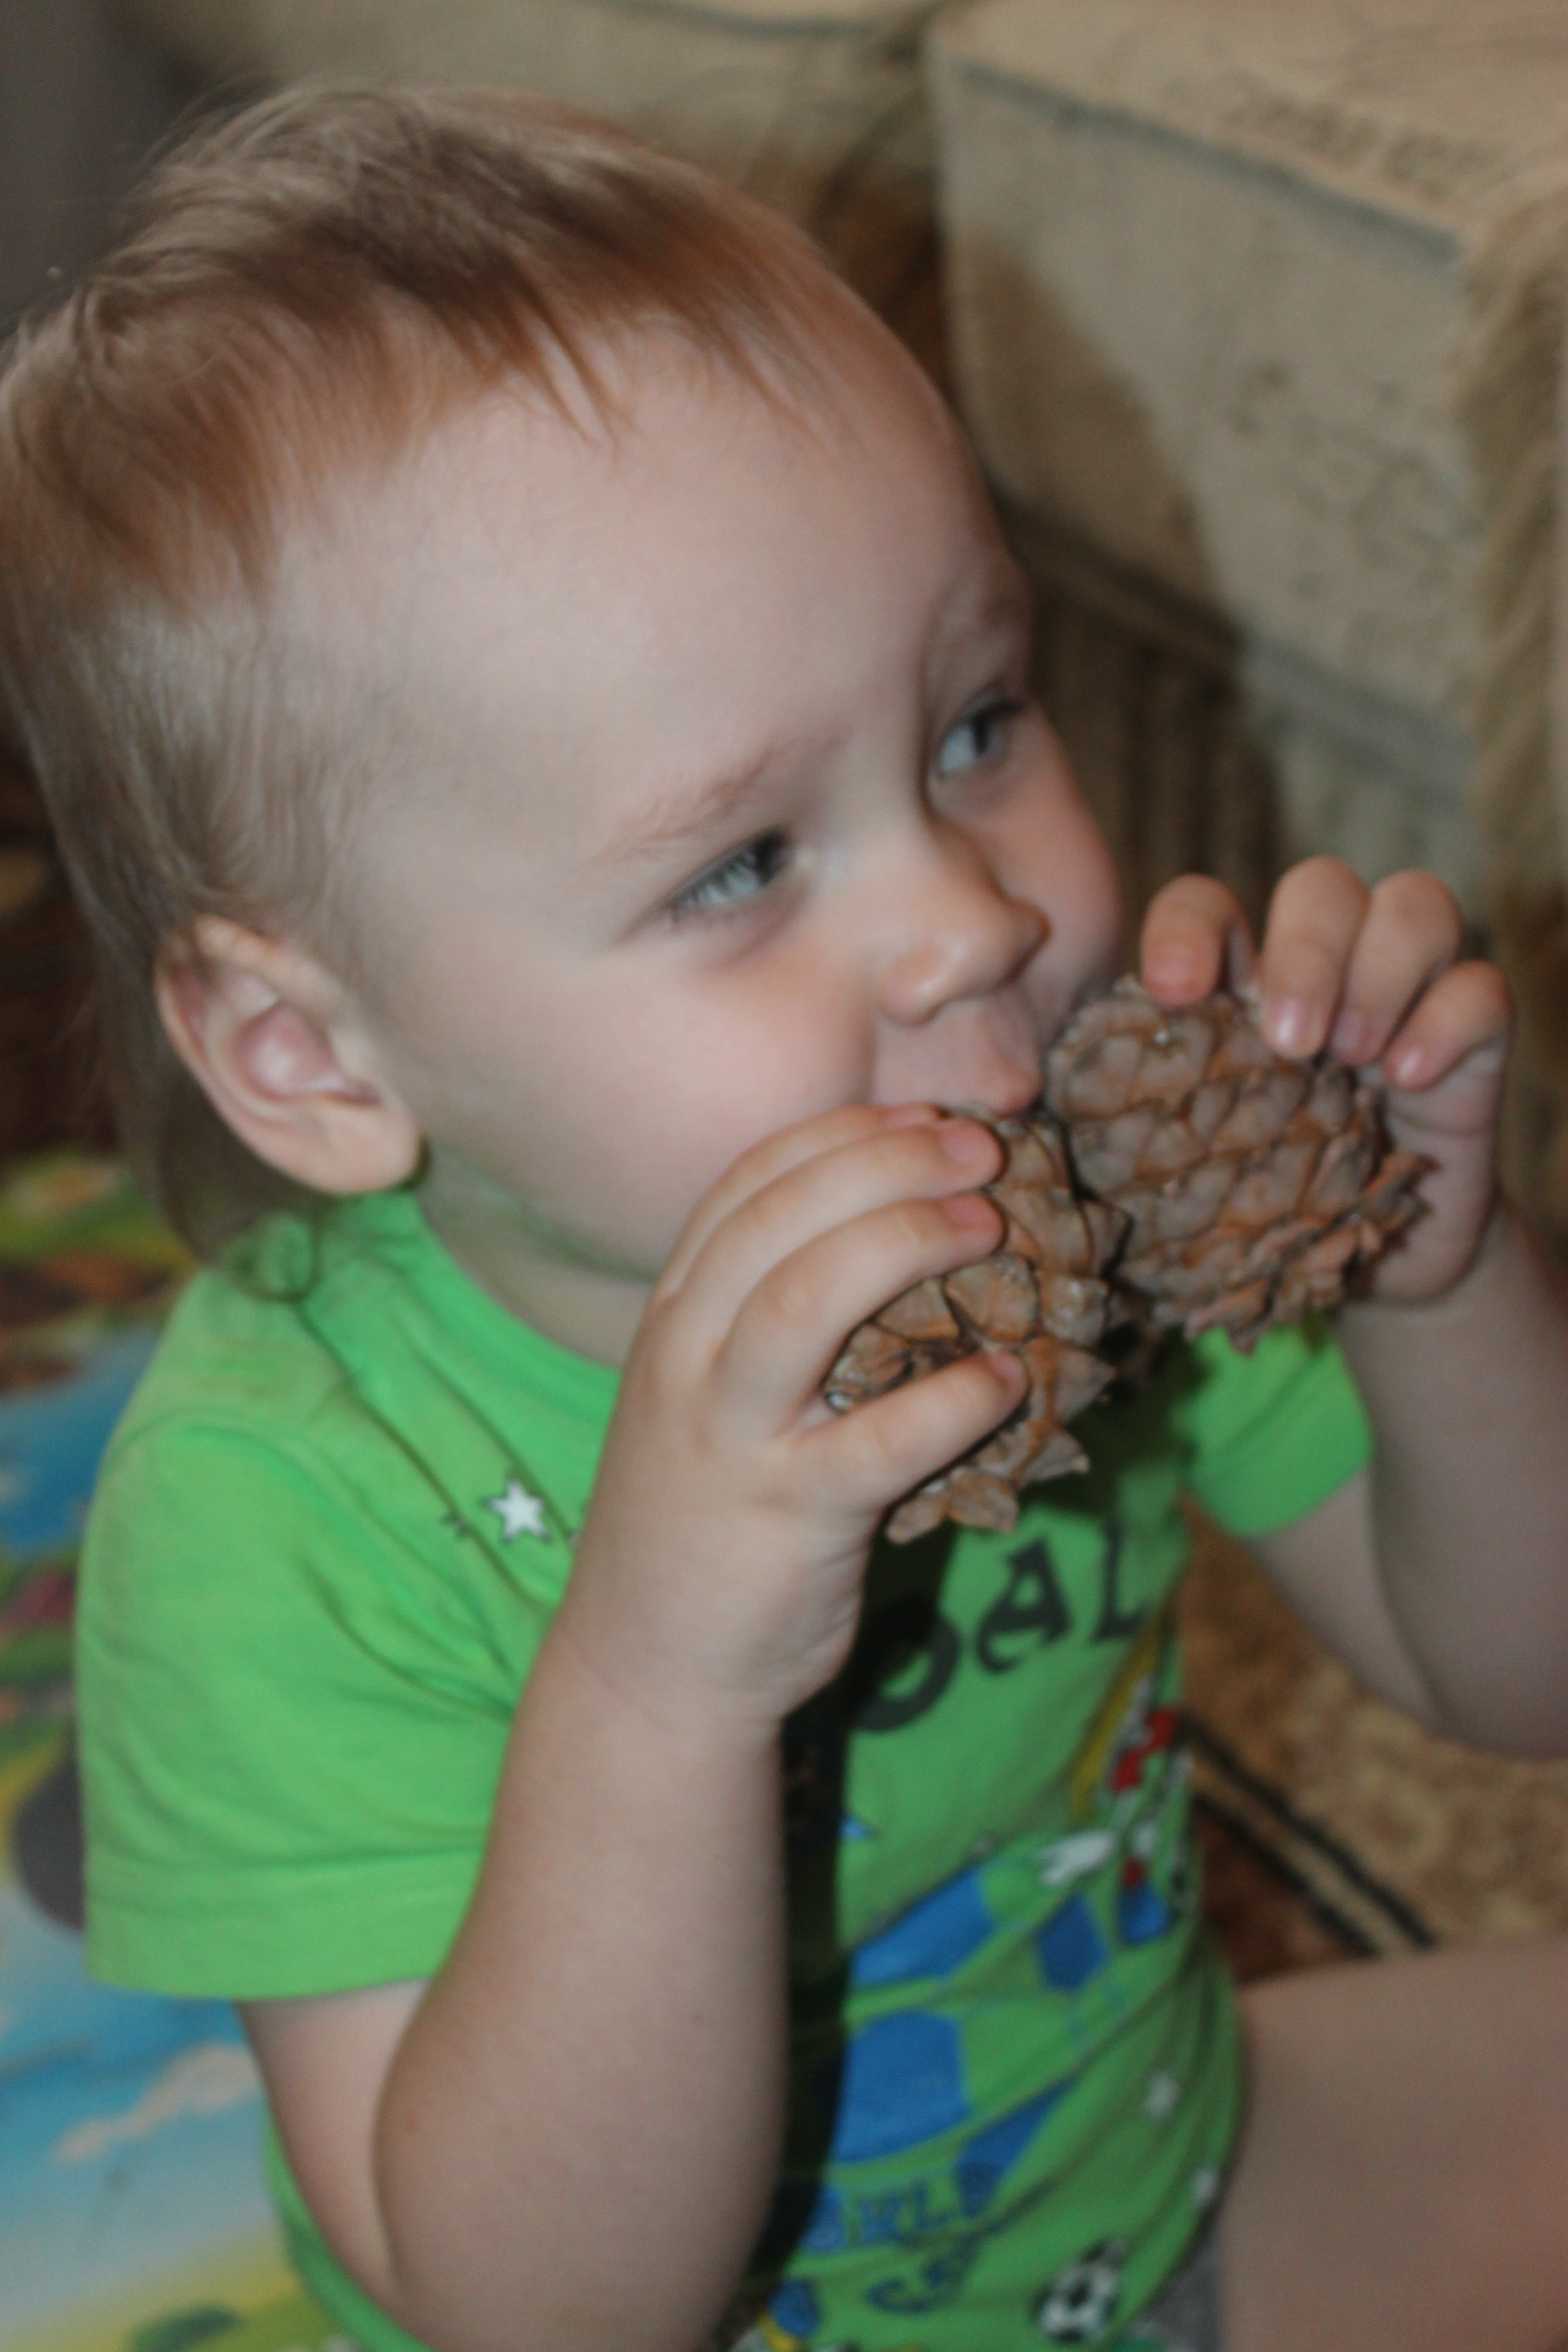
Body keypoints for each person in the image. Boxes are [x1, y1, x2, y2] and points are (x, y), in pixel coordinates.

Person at [1, 83, 1565, 2352]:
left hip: (1165, 2183)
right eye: (741, 862)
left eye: (973, 723)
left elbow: (1514, 1672)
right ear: (315, 1059)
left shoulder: (1087, 1224)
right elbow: (544, 2310)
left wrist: (1434, 1271)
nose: (971, 921)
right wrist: (661, 1671)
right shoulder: (280, 1520)